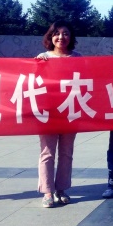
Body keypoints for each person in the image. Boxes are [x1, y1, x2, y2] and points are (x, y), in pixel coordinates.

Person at [35, 21, 82, 208]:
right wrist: (38, 65)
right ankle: (47, 191)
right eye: (57, 33)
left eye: (65, 33)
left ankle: (61, 189)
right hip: (48, 112)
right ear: (50, 36)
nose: (61, 37)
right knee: (47, 152)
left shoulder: (78, 58)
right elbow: (34, 83)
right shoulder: (43, 58)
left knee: (66, 153)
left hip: (70, 111)